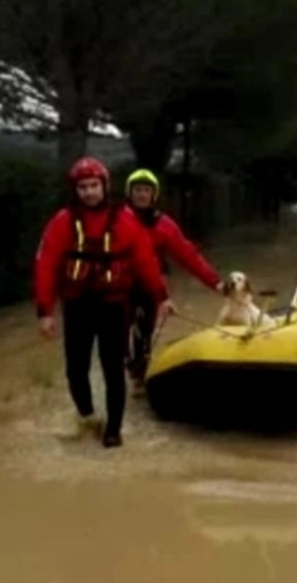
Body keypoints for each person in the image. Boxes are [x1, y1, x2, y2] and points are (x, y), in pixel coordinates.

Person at [34, 157, 171, 448]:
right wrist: (44, 311)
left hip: (113, 305)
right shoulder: (62, 222)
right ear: (75, 190)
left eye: (94, 185)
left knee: (113, 369)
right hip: (77, 304)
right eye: (82, 187)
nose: (89, 192)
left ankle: (113, 430)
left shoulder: (125, 220)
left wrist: (162, 296)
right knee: (75, 369)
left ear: (104, 186)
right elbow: (45, 265)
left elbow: (146, 261)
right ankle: (87, 416)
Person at [123, 168, 226, 385]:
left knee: (144, 335)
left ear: (154, 195)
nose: (141, 195)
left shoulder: (164, 225)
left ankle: (138, 377)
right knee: (116, 335)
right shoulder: (116, 220)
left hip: (151, 287)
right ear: (129, 193)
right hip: (118, 286)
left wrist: (215, 282)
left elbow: (188, 255)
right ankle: (123, 367)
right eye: (137, 190)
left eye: (146, 190)